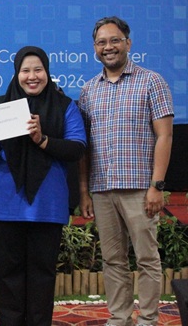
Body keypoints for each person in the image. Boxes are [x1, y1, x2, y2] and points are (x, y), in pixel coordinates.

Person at [0, 46, 86, 325]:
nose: (32, 76)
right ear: (16, 74)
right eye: (25, 70)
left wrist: (42, 139)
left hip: (47, 207)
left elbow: (76, 148)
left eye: (38, 70)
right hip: (5, 206)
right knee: (6, 276)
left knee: (42, 277)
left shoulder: (65, 106)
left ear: (47, 72)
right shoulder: (0, 105)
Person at [79, 16, 174, 326]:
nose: (108, 47)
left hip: (140, 188)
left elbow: (164, 136)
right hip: (102, 189)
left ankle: (147, 319)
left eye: (114, 40)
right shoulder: (88, 90)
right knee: (113, 260)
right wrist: (84, 191)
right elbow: (84, 146)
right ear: (95, 48)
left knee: (147, 258)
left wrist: (157, 186)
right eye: (101, 42)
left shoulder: (152, 81)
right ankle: (120, 318)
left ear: (128, 43)